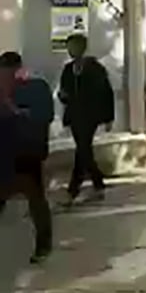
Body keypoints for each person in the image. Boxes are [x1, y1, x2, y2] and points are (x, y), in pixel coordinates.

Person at [0, 52, 55, 263]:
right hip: (5, 155)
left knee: (36, 199)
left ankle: (43, 245)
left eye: (8, 73)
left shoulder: (35, 88)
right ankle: (43, 244)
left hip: (26, 154)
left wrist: (14, 110)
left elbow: (44, 116)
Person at [57, 33, 115, 204]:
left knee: (83, 148)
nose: (71, 50)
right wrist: (63, 96)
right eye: (69, 47)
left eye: (74, 46)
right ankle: (97, 184)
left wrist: (108, 117)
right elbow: (64, 91)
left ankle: (73, 190)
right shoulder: (68, 69)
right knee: (83, 150)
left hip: (90, 115)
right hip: (75, 115)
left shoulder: (95, 68)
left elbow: (106, 92)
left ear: (82, 47)